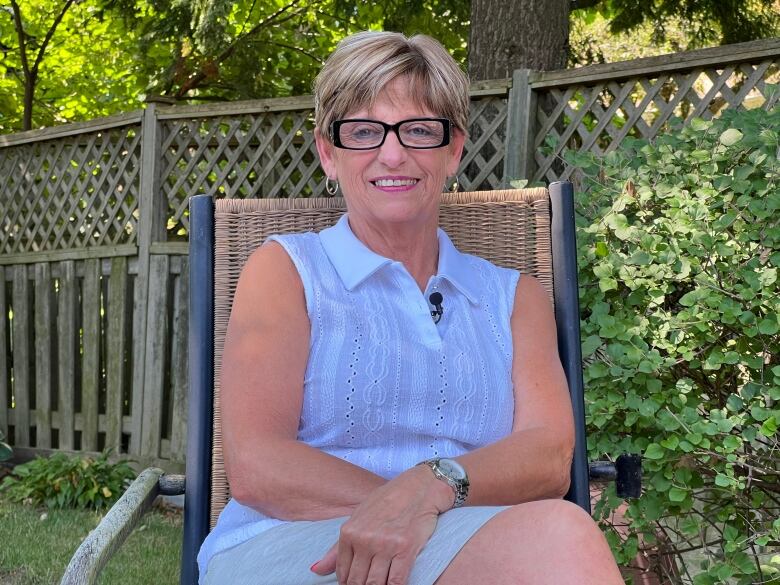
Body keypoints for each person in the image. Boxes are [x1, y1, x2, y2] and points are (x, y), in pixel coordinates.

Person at [197, 31, 625, 585]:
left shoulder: (513, 297)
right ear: (329, 153)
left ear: (454, 150)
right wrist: (406, 510)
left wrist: (433, 490)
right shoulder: (287, 272)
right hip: (293, 543)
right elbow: (258, 467)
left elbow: (547, 456)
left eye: (420, 130)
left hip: (468, 541)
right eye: (364, 131)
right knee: (558, 540)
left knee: (556, 536)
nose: (393, 153)